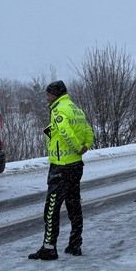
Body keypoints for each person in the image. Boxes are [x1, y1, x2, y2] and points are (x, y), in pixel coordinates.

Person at [29, 80, 94, 260]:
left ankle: (49, 248)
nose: (47, 98)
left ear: (55, 94)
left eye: (48, 94)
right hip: (75, 165)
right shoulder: (75, 109)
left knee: (52, 207)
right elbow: (89, 130)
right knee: (74, 205)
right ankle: (75, 244)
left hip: (61, 165)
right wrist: (85, 146)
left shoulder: (58, 110)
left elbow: (65, 131)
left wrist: (76, 147)